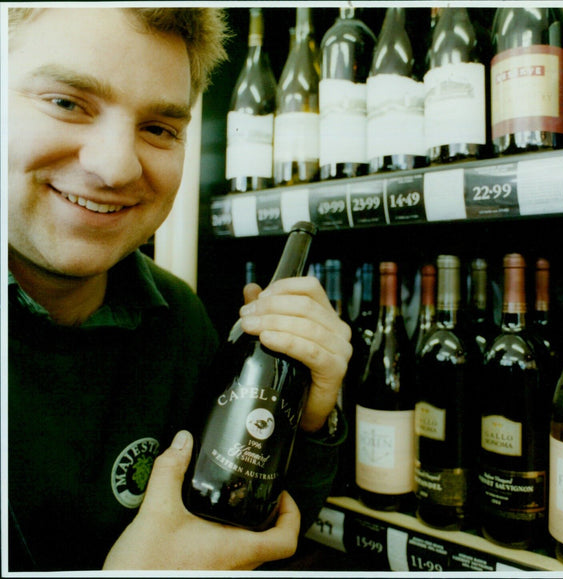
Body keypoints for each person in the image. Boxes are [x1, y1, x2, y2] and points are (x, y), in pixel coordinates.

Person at [5, 7, 353, 571]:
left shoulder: (179, 320)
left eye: (160, 129)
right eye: (67, 103)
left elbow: (242, 528)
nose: (117, 167)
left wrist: (308, 420)